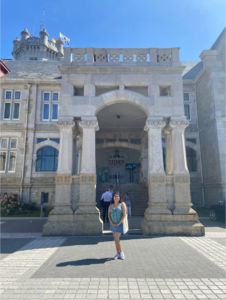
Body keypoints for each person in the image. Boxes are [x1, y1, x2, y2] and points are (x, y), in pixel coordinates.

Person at [108, 192, 127, 260]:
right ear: (113, 197)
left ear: (119, 197)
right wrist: (111, 222)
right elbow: (109, 215)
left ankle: (121, 252)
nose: (116, 197)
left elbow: (124, 214)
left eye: (117, 196)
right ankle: (118, 253)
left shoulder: (122, 204)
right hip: (113, 224)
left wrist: (119, 222)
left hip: (119, 224)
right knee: (115, 240)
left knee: (117, 239)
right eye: (115, 196)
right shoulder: (111, 205)